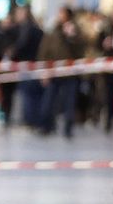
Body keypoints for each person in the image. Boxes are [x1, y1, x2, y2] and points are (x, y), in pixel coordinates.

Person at [36, 7, 86, 138]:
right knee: (48, 100)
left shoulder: (75, 31)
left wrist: (71, 37)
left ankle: (68, 128)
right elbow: (44, 51)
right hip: (54, 72)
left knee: (69, 102)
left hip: (70, 73)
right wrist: (44, 70)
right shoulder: (52, 31)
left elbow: (80, 50)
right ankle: (46, 125)